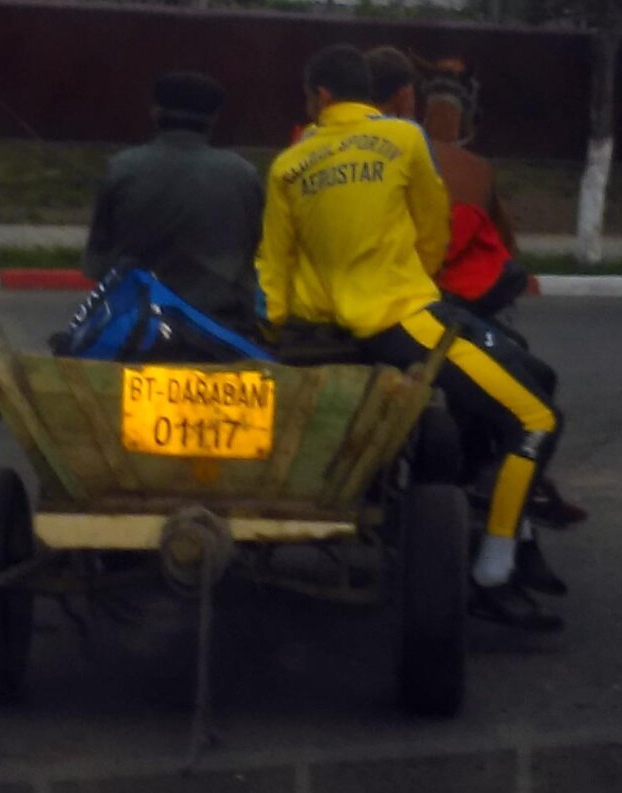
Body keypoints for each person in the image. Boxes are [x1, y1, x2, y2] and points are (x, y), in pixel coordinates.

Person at [256, 43, 563, 630]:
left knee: (531, 383)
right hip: (407, 318)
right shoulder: (403, 140)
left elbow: (275, 265)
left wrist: (278, 325)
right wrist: (413, 281)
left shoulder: (290, 162)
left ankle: (515, 543)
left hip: (323, 326)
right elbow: (434, 229)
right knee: (537, 418)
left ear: (320, 96)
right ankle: (492, 573)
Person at [365, 47, 584, 598]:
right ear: (403, 99)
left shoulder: (309, 154)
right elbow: (500, 252)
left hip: (340, 319)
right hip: (424, 320)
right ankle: (512, 537)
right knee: (530, 399)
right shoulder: (462, 166)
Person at [82, 71, 263, 336]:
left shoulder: (123, 168)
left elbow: (96, 263)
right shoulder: (243, 174)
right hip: (223, 328)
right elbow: (256, 250)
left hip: (137, 326)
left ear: (155, 113)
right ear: (213, 119)